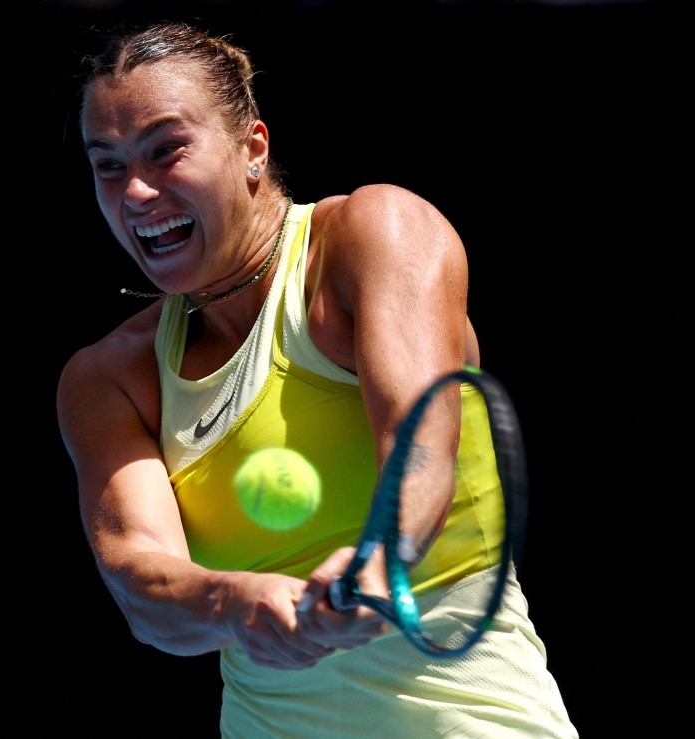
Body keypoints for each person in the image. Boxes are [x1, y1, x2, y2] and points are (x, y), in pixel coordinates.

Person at [57, 23, 577, 738]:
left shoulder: (375, 234)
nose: (137, 190)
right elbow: (140, 582)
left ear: (253, 148)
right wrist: (231, 601)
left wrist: (375, 566)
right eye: (107, 164)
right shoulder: (108, 376)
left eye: (165, 149)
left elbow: (420, 451)